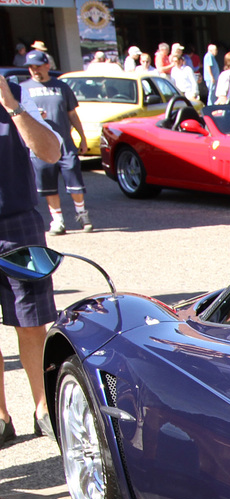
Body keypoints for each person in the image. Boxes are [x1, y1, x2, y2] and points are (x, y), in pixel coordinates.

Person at [0, 72, 62, 446]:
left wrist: (13, 106)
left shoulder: (16, 92)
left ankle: (43, 408)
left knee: (32, 322)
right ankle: (0, 417)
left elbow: (50, 152)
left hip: (18, 223)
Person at [18, 51, 89, 236]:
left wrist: (82, 137)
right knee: (48, 184)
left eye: (38, 66)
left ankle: (82, 213)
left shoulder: (61, 87)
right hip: (39, 145)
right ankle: (57, 220)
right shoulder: (21, 89)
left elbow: (72, 114)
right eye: (31, 67)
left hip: (64, 143)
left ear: (47, 65)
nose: (34, 70)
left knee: (75, 181)